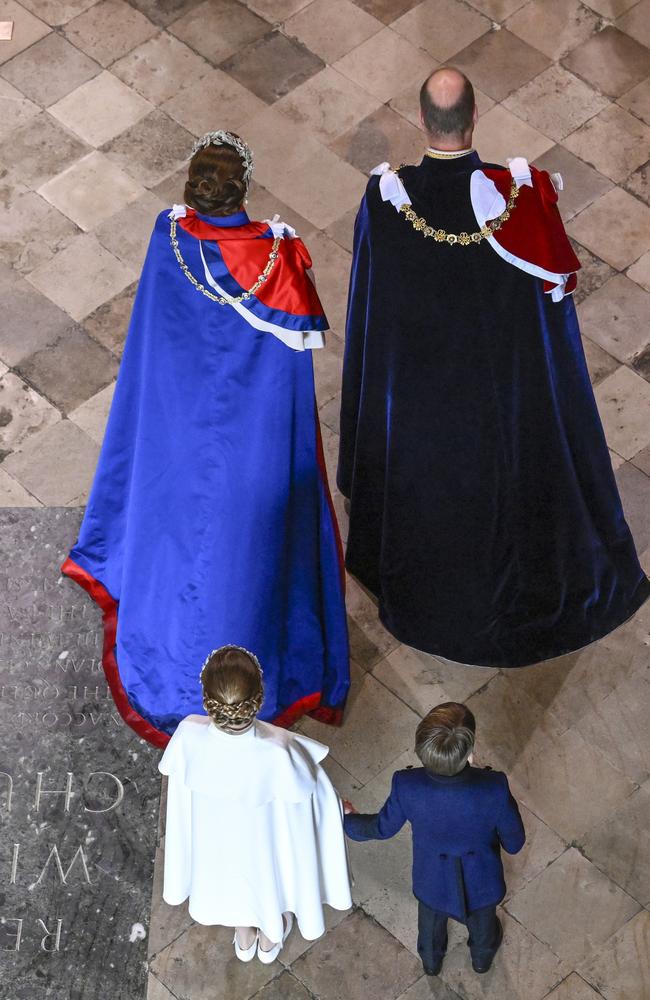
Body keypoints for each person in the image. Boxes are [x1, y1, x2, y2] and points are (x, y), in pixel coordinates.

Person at [338, 68, 650, 668]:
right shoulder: (524, 198)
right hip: (511, 400)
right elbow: (552, 320)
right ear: (474, 118)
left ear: (423, 121)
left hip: (427, 402)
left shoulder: (385, 204)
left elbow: (371, 309)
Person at [62, 130, 349, 747]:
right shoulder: (271, 260)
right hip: (240, 439)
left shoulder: (172, 241)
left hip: (180, 426)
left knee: (178, 537)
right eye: (200, 173)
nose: (199, 185)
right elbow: (283, 381)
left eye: (209, 175)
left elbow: (156, 341)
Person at [159, 645, 352, 961]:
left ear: (208, 700)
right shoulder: (279, 749)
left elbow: (181, 791)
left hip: (216, 836)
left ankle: (245, 935)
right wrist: (336, 810)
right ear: (259, 697)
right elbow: (310, 799)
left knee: (229, 873)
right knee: (268, 870)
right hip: (263, 837)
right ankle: (269, 936)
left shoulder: (188, 735)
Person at [343, 702, 525, 976]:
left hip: (432, 880)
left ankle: (431, 961)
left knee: (429, 924)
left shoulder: (406, 785)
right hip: (481, 883)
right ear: (469, 752)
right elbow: (515, 842)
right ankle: (481, 959)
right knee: (484, 925)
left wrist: (347, 821)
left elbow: (382, 828)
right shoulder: (494, 787)